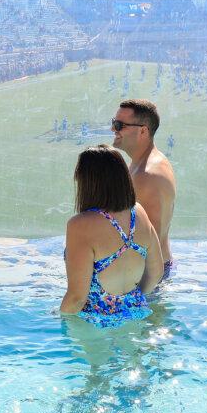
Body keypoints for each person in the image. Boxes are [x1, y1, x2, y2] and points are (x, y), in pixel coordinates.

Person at [60, 146, 164, 328]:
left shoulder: (81, 225)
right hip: (136, 315)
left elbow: (77, 298)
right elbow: (156, 272)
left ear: (88, 182)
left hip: (94, 323)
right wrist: (133, 299)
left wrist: (58, 319)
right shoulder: (138, 213)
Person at [112, 99, 176, 281]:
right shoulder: (145, 162)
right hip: (155, 270)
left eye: (119, 125)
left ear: (143, 130)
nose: (113, 129)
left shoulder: (147, 175)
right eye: (113, 123)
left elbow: (144, 240)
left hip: (148, 277)